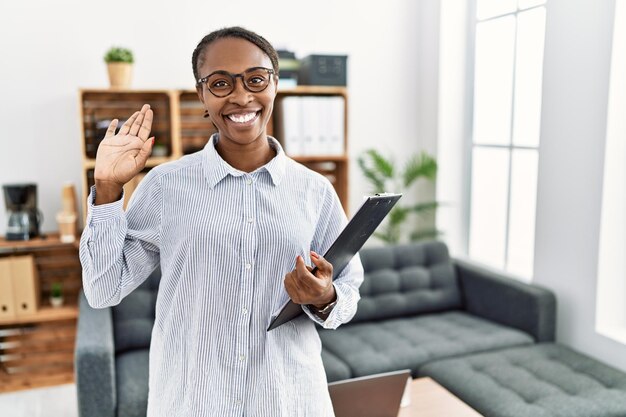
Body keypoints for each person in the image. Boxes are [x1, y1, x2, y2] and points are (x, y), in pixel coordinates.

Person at [79, 26, 364, 417]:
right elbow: (103, 290)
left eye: (255, 79)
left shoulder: (314, 190)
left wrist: (324, 297)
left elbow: (348, 292)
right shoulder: (165, 185)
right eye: (220, 83)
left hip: (287, 400)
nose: (241, 96)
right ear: (201, 94)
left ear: (275, 85)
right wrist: (108, 188)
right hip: (193, 401)